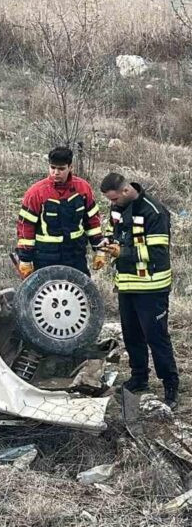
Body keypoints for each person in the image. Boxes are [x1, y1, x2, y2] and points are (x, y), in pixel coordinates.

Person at [98, 172, 179, 409]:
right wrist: (108, 242)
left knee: (156, 337)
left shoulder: (154, 211)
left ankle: (170, 384)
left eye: (114, 199)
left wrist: (122, 253)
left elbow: (157, 253)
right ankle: (139, 378)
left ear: (125, 191)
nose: (112, 204)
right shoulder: (118, 209)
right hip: (127, 284)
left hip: (152, 287)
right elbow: (119, 234)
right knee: (132, 335)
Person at [16, 146, 105, 278]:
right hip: (45, 258)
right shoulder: (36, 193)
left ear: (70, 167)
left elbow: (92, 221)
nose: (56, 172)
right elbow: (25, 227)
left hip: (75, 256)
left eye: (61, 169)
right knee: (46, 295)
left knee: (80, 292)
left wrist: (99, 249)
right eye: (53, 168)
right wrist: (25, 259)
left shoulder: (83, 188)